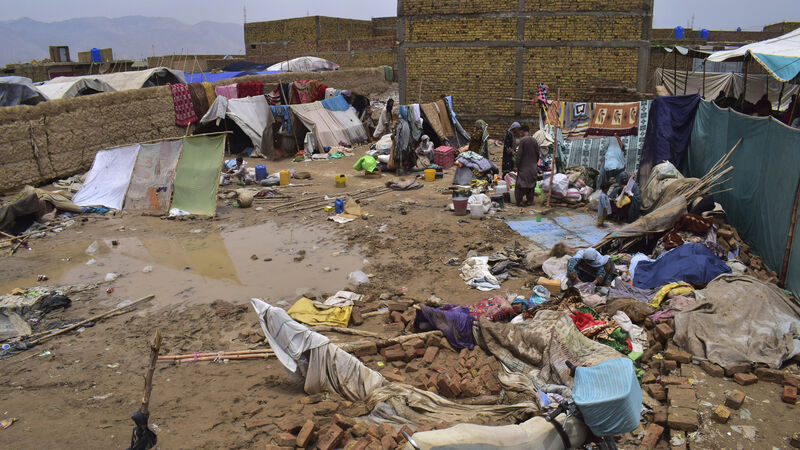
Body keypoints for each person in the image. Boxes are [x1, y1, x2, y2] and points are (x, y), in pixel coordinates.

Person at [514, 125, 539, 207]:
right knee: (531, 185)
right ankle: (530, 201)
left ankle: (519, 201)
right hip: (533, 167)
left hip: (524, 167)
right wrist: (534, 163)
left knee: (520, 185)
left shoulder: (523, 140)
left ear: (522, 131)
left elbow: (519, 154)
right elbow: (538, 154)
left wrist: (516, 165)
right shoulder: (534, 140)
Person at [390, 105, 412, 175]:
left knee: (397, 157)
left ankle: (397, 171)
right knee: (405, 157)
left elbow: (395, 134)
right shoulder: (407, 124)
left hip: (399, 144)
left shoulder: (399, 124)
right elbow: (409, 135)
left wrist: (393, 136)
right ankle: (405, 170)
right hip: (406, 144)